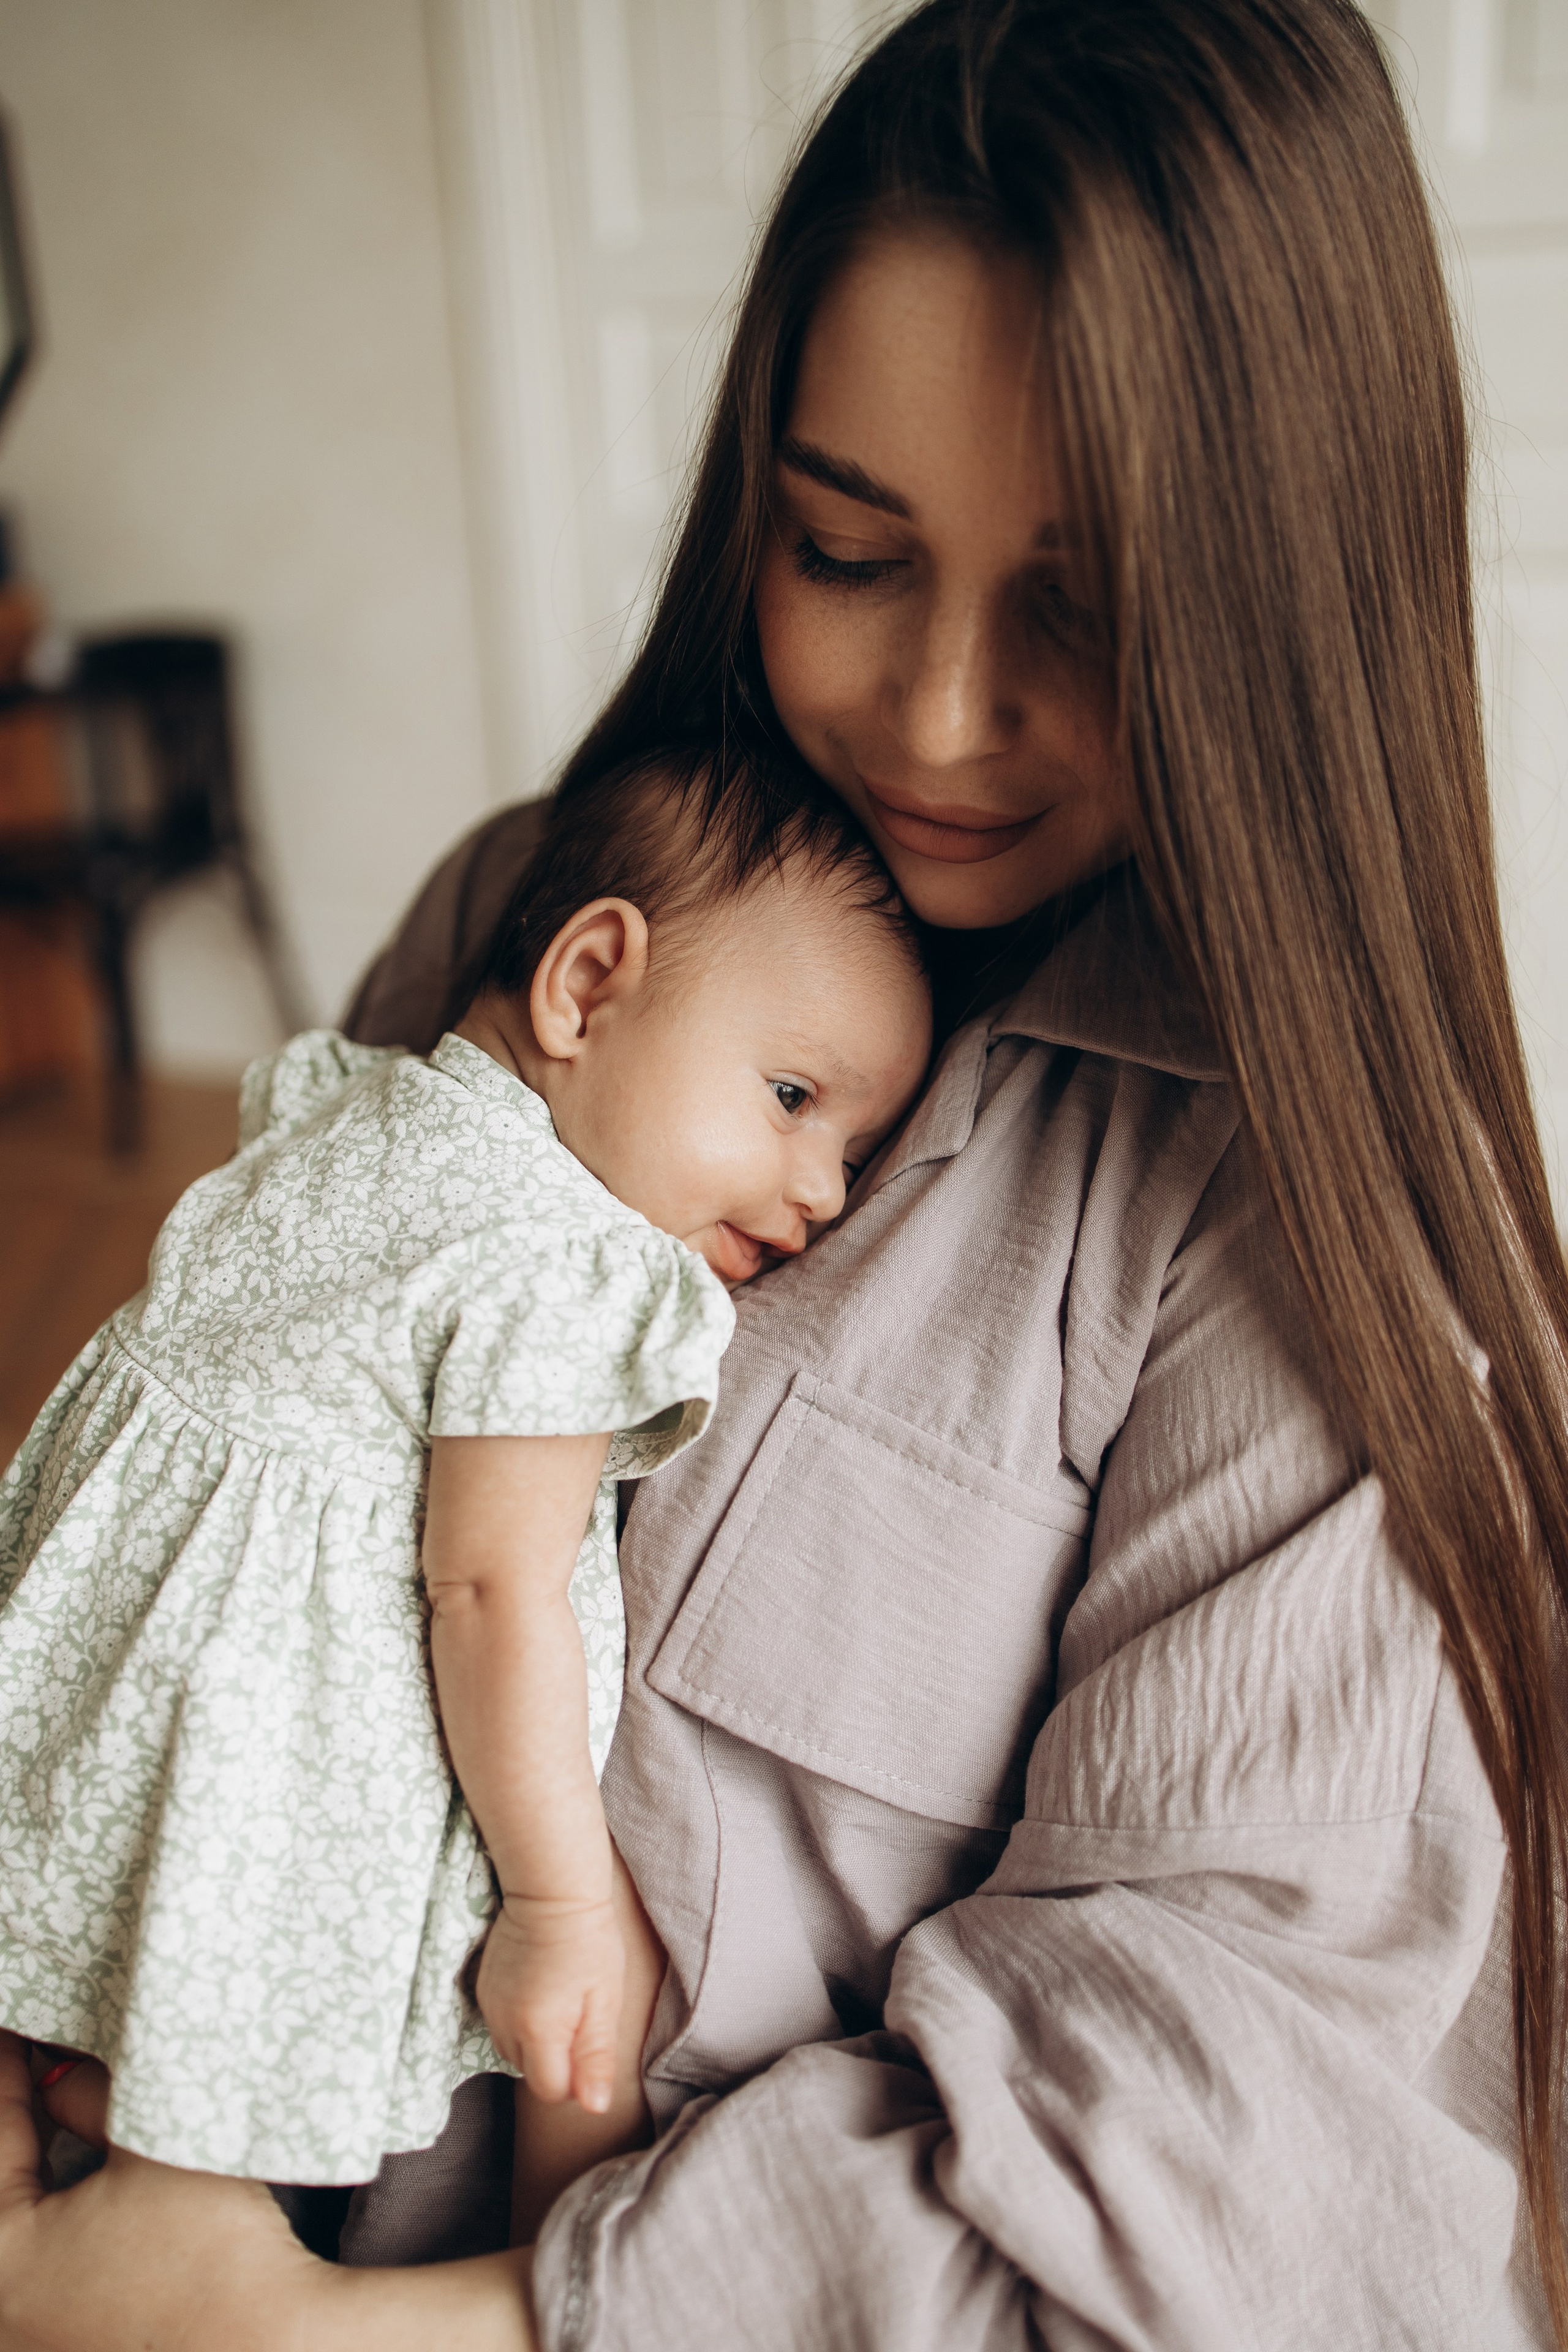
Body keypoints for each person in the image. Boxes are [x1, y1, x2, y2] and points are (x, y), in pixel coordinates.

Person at [4, 0, 1567, 2343]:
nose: (943, 722)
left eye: (1090, 603)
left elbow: (1215, 2206)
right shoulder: (534, 917)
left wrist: (298, 2333)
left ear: (1279, 605)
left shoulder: (1300, 1225)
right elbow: (204, 1547)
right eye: (847, 549)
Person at [0, 757, 929, 2185]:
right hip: (273, 1719)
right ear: (587, 981)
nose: (822, 1187)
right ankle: (551, 2270)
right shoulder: (560, 1260)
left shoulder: (358, 1108)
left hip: (95, 1643)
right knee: (585, 2006)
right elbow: (491, 1588)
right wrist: (557, 1899)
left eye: (853, 1146)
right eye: (793, 1096)